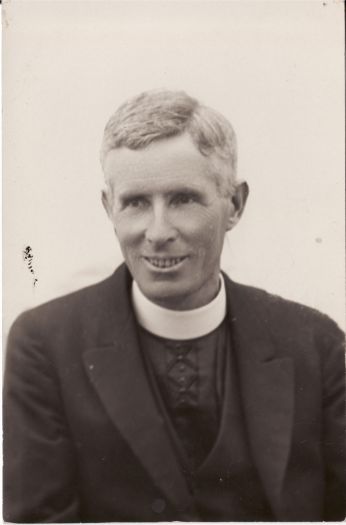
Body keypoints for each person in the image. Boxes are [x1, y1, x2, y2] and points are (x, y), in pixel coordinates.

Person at [3, 89, 345, 522]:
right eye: (136, 203)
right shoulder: (44, 345)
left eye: (183, 199)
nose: (158, 231)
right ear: (109, 209)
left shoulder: (316, 344)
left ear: (235, 205)